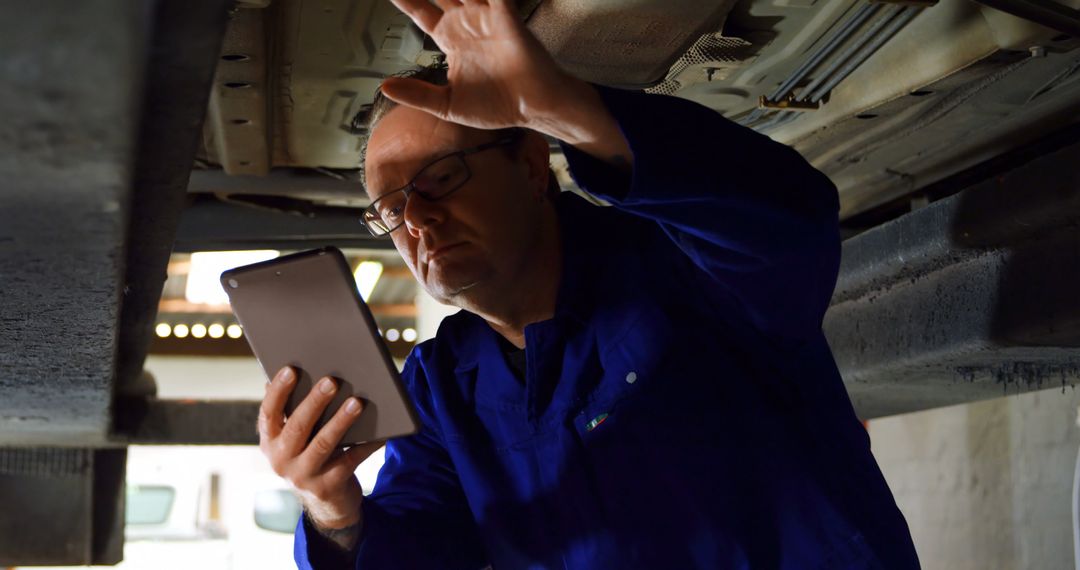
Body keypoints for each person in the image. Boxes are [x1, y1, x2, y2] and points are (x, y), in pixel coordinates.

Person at [257, 0, 921, 568]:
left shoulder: (687, 269)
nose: (418, 219)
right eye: (392, 207)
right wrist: (334, 512)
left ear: (528, 166)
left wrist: (564, 107)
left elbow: (787, 218)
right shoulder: (445, 385)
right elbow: (423, 546)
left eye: (441, 178)